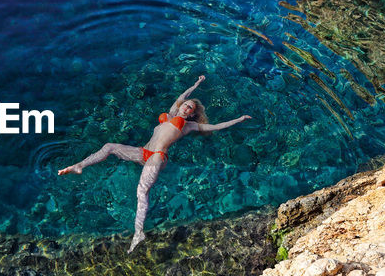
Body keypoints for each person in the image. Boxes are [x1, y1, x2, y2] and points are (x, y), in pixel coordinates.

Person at [58, 75, 252, 252]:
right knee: (109, 146)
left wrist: (239, 119)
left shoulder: (189, 125)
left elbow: (215, 126)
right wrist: (196, 84)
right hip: (144, 152)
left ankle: (138, 232)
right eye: (186, 105)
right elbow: (181, 95)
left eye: (190, 108)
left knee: (141, 191)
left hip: (157, 156)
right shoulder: (169, 115)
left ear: (192, 114)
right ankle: (79, 165)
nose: (186, 107)